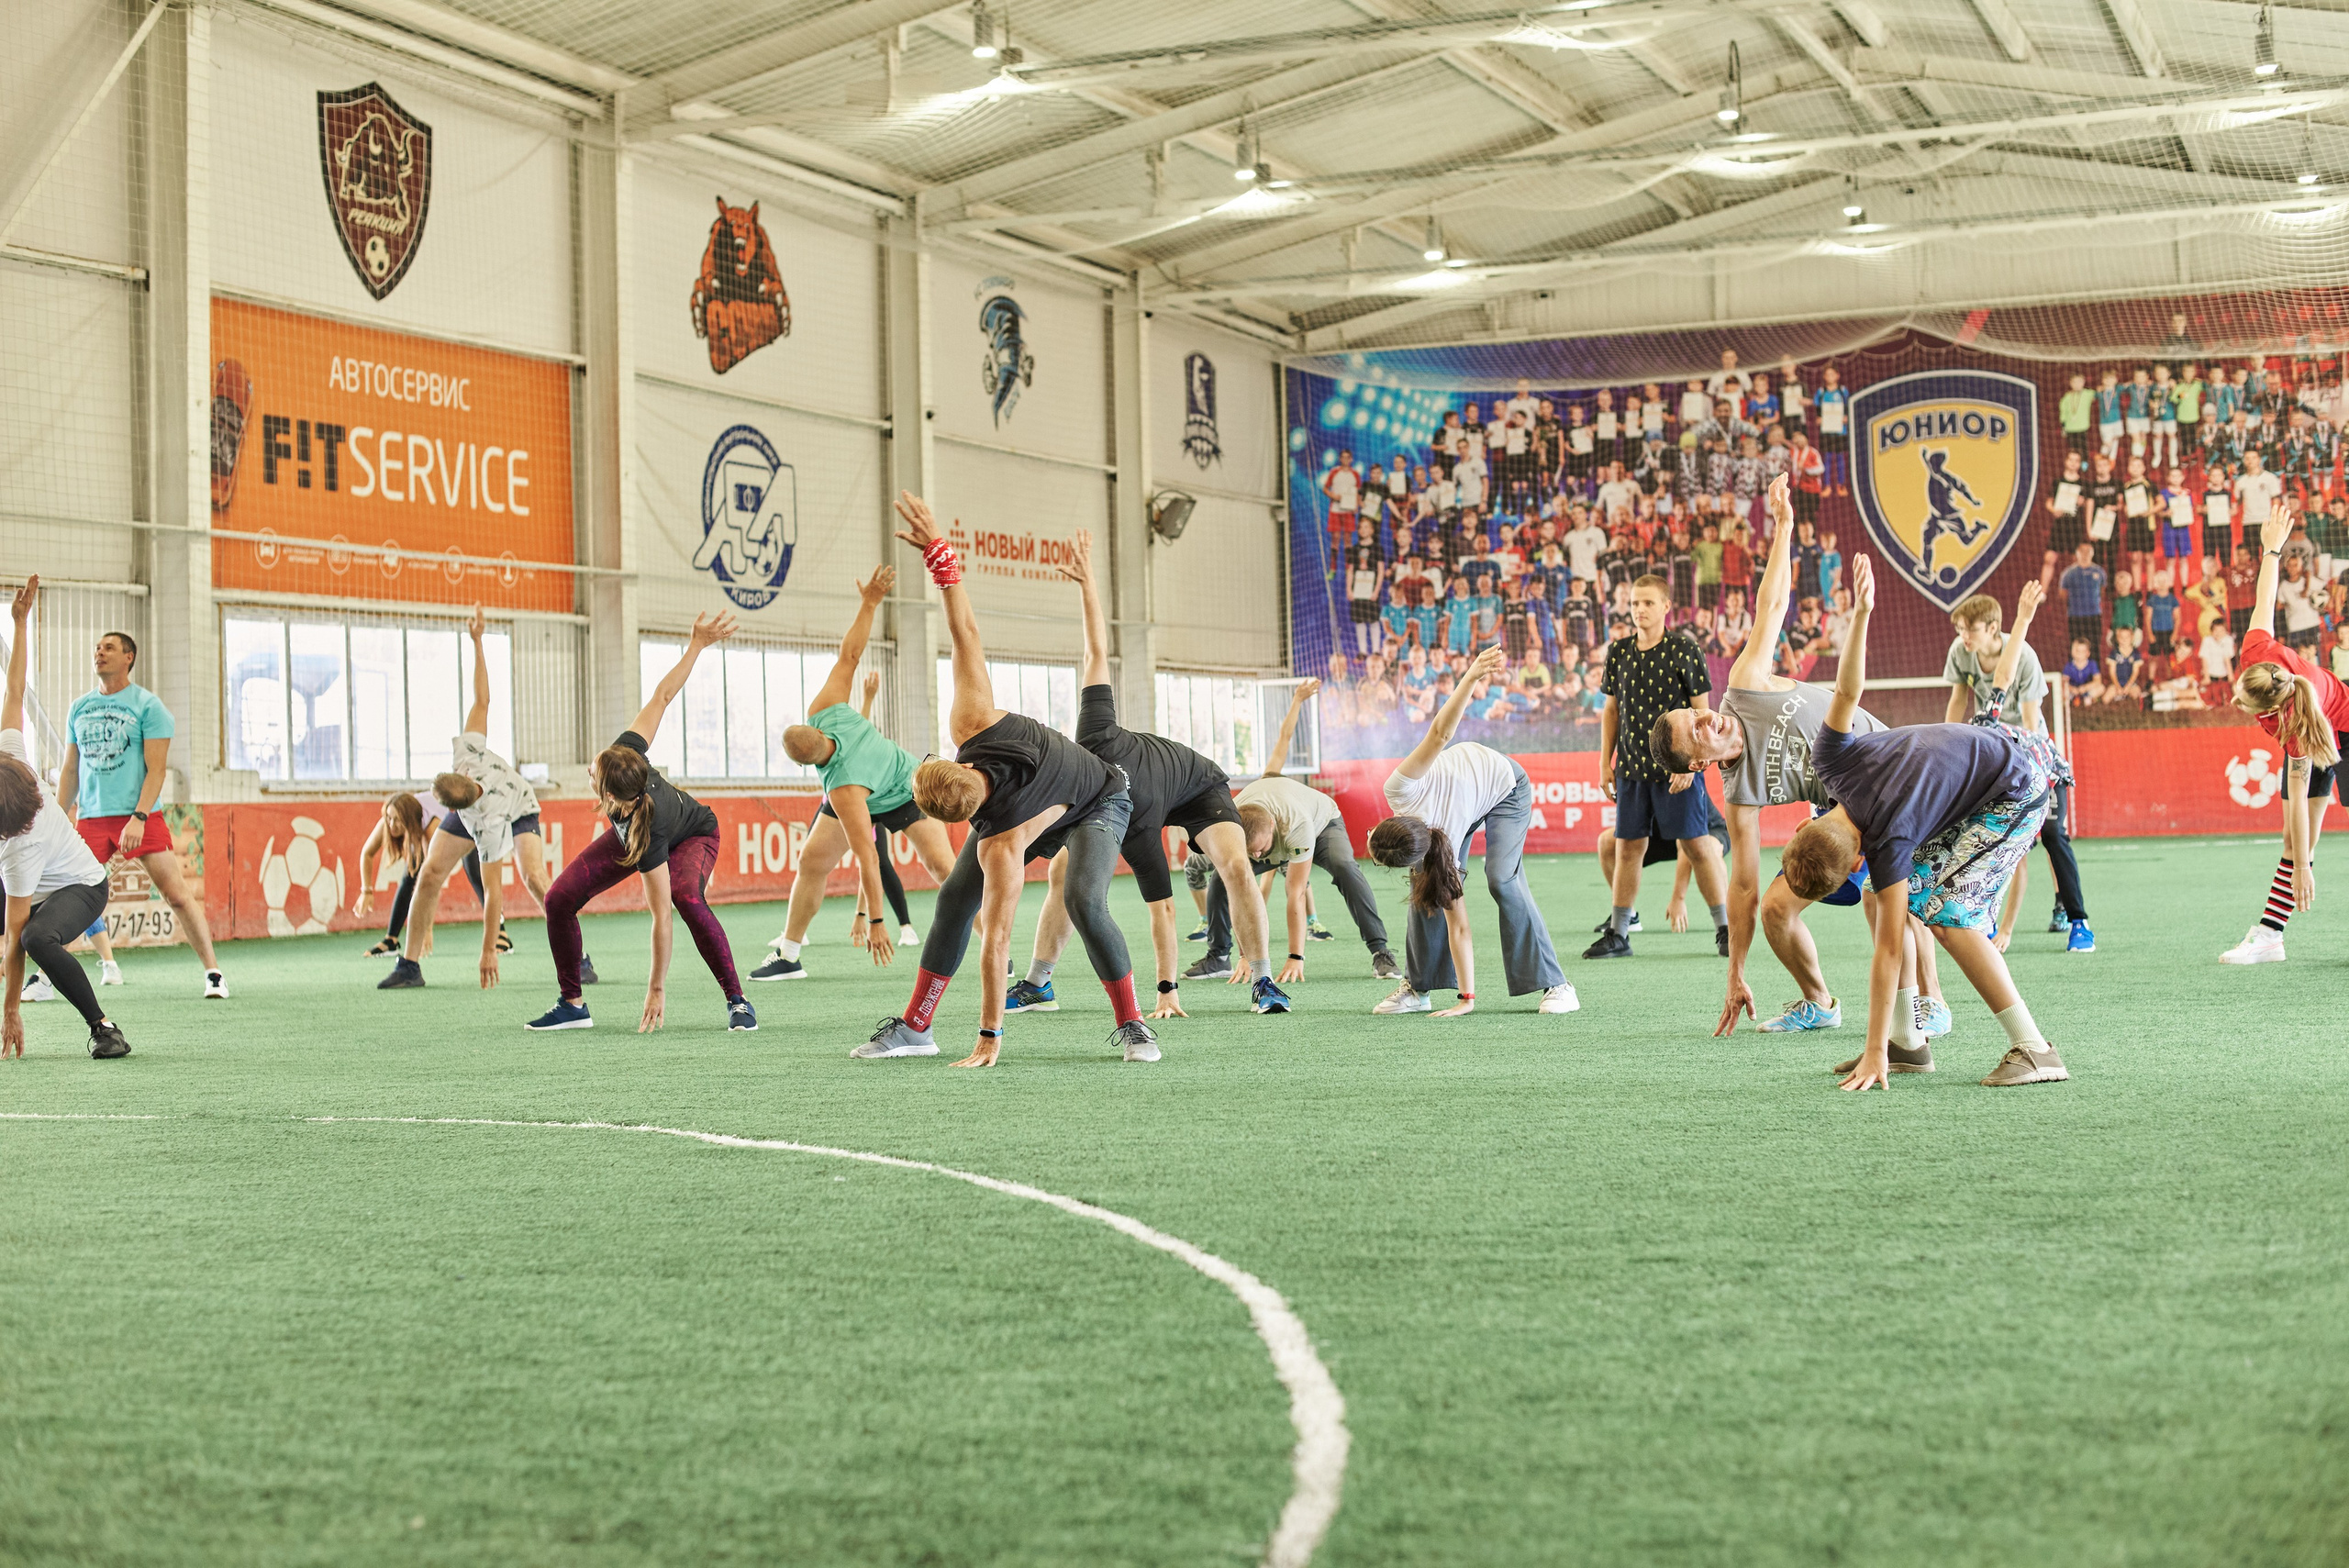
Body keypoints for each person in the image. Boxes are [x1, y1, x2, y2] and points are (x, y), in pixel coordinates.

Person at [858, 494, 1157, 1066]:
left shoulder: (997, 832)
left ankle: (1134, 1024)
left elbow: (997, 941)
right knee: (955, 899)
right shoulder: (975, 736)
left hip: (1099, 798)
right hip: (1038, 804)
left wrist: (990, 1036)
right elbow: (966, 632)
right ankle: (917, 1027)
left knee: (1083, 899)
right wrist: (939, 553)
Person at [1652, 477, 1945, 1041]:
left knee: (1890, 894)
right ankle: (1820, 1002)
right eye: (1697, 733)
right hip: (1840, 811)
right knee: (1774, 909)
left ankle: (1929, 1002)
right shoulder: (1740, 795)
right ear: (1699, 764)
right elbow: (1742, 888)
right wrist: (1735, 973)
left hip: (1885, 768)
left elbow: (1772, 605)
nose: (1707, 719)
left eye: (1696, 714)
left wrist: (1783, 526)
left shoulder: (1744, 684)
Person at [1782, 556, 2070, 1090]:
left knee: (1949, 916)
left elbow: (1890, 951)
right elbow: (1847, 691)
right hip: (1986, 761)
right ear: (1805, 827)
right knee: (1886, 897)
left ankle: (2035, 1049)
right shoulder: (1832, 762)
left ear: (1857, 859)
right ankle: (1907, 1042)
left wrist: (1872, 1055)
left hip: (2017, 786)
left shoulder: (1890, 839)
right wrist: (1861, 613)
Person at [1013, 531, 1286, 1019]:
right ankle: (1038, 984)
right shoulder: (1080, 803)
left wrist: (1166, 990)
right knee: (1061, 873)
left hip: (1196, 784)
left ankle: (1264, 980)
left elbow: (1096, 653)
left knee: (1234, 865)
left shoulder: (1095, 734)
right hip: (1139, 797)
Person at [525, 611, 753, 1035]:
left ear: (612, 798)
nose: (590, 772)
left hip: (694, 834)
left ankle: (737, 1001)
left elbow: (660, 918)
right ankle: (572, 1005)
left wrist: (656, 989)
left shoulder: (647, 833)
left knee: (685, 899)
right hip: (637, 830)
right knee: (558, 899)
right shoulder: (627, 752)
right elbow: (663, 696)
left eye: (593, 775)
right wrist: (696, 645)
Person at [753, 566, 956, 982]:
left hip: (907, 787)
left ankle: (996, 946)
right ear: (813, 726)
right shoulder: (825, 709)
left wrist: (876, 920)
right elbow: (850, 654)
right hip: (877, 788)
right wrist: (869, 603)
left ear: (805, 764)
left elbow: (867, 856)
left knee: (944, 869)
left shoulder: (841, 786)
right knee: (812, 860)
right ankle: (789, 955)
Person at [1366, 645, 1577, 1018]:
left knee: (1502, 879)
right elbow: (1459, 926)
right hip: (1463, 804)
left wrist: (1472, 675)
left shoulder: (1400, 788)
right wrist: (1467, 999)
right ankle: (1418, 988)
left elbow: (1439, 734)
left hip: (1504, 786)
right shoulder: (1434, 850)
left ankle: (1558, 984)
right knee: (1426, 890)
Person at [380, 608, 554, 992]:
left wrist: (488, 950)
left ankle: (579, 956)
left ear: (456, 806)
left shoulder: (487, 826)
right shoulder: (467, 753)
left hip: (518, 806)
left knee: (533, 877)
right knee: (430, 872)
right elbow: (483, 699)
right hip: (480, 802)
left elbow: (492, 893)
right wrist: (477, 642)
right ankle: (408, 966)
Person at [1196, 681, 1401, 986]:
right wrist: (1246, 953)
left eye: (1260, 850)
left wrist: (1295, 956)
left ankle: (1380, 951)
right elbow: (1240, 886)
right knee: (1220, 880)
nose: (1256, 857)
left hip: (1322, 824)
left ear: (1273, 826)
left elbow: (1295, 892)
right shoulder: (1232, 820)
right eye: (1252, 852)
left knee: (1344, 867)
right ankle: (1218, 956)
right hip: (1271, 833)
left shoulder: (1295, 824)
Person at [1, 577, 129, 1059]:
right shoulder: (11, 755)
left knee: (36, 936)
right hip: (40, 882)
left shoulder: (18, 848)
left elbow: (16, 939)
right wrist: (19, 624)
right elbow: (15, 688)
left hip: (82, 886)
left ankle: (104, 1028)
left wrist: (10, 1009)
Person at [60, 625, 225, 998]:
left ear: (128, 657)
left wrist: (139, 817)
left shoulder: (149, 707)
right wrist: (57, 818)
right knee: (68, 897)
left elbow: (157, 770)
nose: (99, 653)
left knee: (177, 895)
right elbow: (70, 770)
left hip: (139, 815)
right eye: (97, 648)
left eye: (109, 648)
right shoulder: (79, 708)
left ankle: (214, 973)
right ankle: (43, 977)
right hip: (92, 818)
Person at [2218, 502, 2349, 965]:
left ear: (2270, 709)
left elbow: (2297, 794)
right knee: (2294, 844)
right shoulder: (2256, 650)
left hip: (2344, 728)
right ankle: (2270, 937)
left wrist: (2304, 868)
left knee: (2300, 843)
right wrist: (2271, 550)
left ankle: (2273, 927)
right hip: (2325, 724)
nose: (2238, 702)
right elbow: (2265, 595)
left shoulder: (2295, 722)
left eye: (2246, 705)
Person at [1943, 592, 2095, 953]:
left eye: (1970, 629)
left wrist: (2026, 770)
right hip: (1996, 758)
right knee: (2002, 843)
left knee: (2054, 835)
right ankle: (1988, 917)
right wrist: (1947, 745)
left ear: (1993, 628)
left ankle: (2077, 920)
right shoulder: (1961, 653)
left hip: (2034, 756)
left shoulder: (2023, 657)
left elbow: (2029, 719)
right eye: (1960, 629)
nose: (1964, 636)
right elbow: (1958, 699)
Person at [1586, 573, 1728, 959]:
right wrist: (1604, 762)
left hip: (1678, 772)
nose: (1639, 609)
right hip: (1631, 771)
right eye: (1634, 603)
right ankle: (1619, 933)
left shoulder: (1684, 649)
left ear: (1666, 606)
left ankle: (1726, 930)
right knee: (1627, 847)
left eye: (1648, 602)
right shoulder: (1618, 652)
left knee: (1698, 846)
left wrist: (1690, 764)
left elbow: (1704, 714)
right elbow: (1612, 710)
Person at [351, 792, 517, 967]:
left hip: (467, 821)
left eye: (397, 820)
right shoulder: (390, 820)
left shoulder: (431, 828)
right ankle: (391, 940)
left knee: (474, 871)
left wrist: (427, 928)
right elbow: (367, 853)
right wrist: (366, 891)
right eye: (389, 818)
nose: (392, 824)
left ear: (408, 820)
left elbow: (433, 882)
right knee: (410, 876)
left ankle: (500, 933)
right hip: (426, 824)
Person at [844, 672, 923, 949]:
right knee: (811, 862)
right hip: (838, 812)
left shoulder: (869, 765)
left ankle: (906, 926)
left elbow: (869, 863)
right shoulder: (836, 774)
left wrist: (868, 699)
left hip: (870, 810)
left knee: (878, 862)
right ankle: (793, 934)